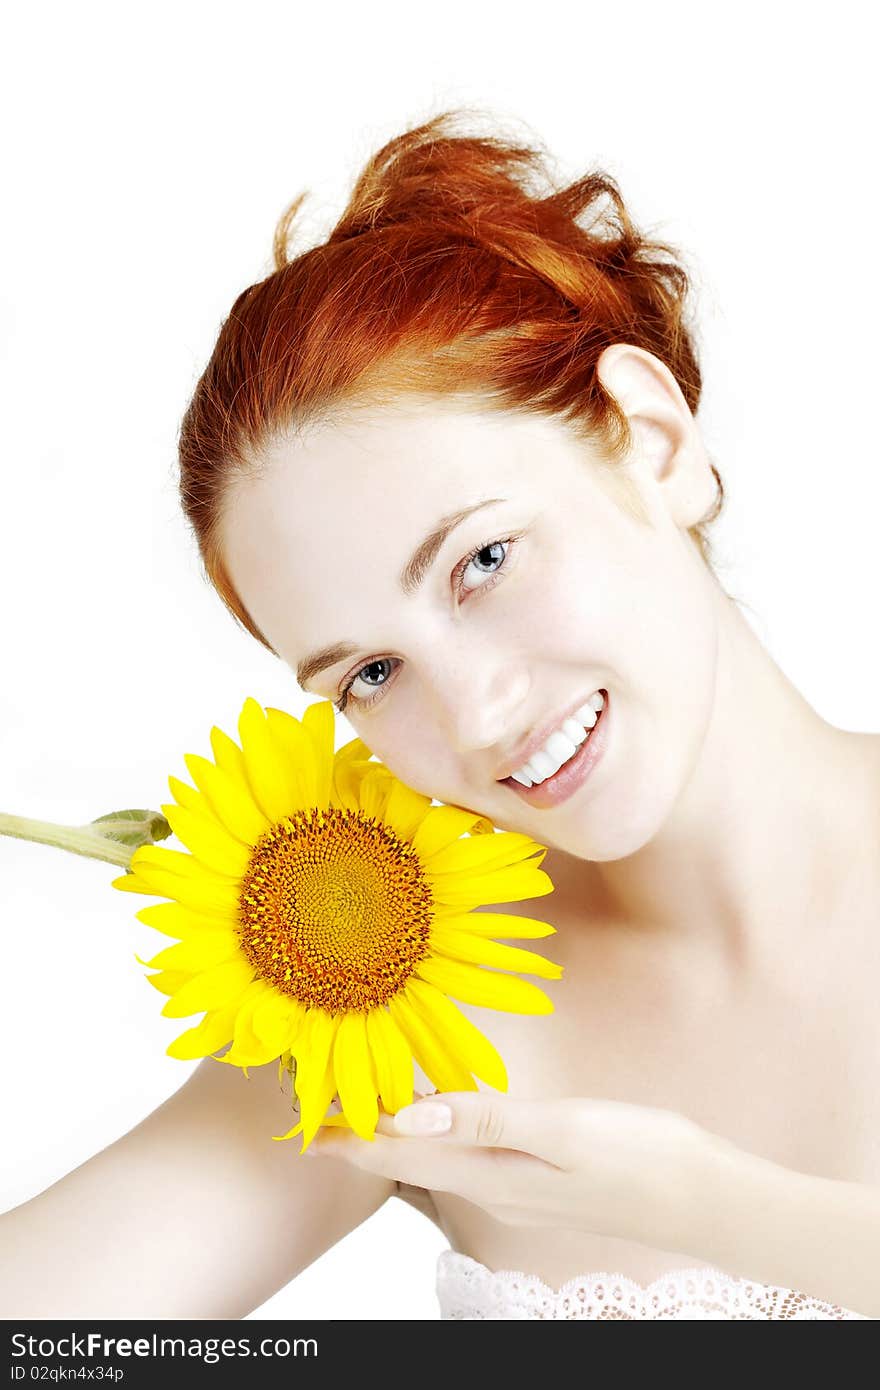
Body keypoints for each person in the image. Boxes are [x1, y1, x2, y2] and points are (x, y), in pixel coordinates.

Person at [3, 109, 878, 1321]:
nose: (476, 716)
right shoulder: (404, 1004)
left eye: (483, 561)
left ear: (655, 441)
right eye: (369, 674)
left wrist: (694, 1205)